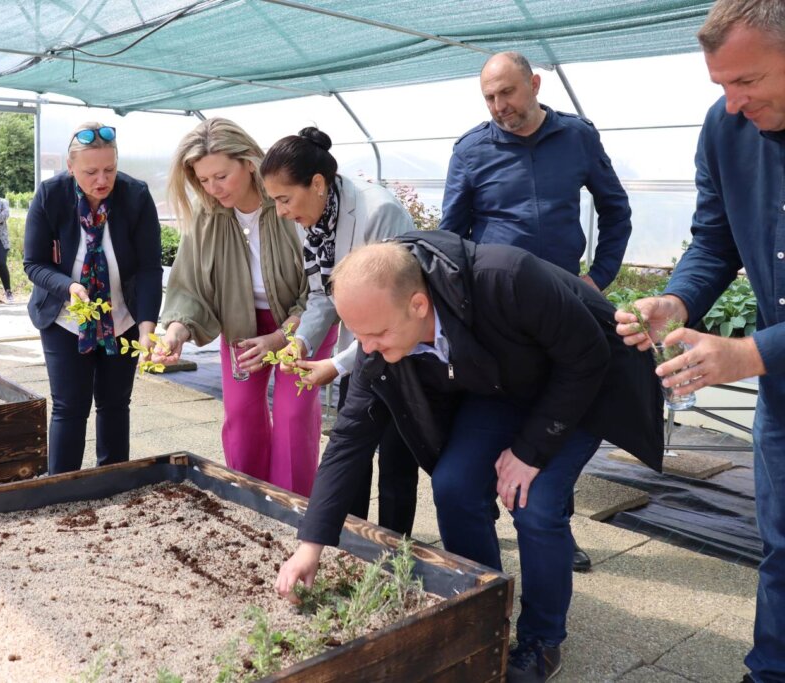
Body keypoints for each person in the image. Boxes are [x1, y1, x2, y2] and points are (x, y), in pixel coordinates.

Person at [276, 234, 664, 683]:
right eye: (359, 336)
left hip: (581, 384)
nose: (366, 348)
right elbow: (347, 442)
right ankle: (483, 612)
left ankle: (542, 639)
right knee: (454, 486)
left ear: (418, 305)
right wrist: (311, 546)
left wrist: (529, 451)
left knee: (534, 503)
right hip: (504, 382)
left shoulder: (507, 277)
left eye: (377, 334)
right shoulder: (375, 347)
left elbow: (587, 356)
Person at [615, 2, 785, 680]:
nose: (733, 103)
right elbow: (715, 239)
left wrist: (751, 355)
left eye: (747, 81)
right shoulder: (725, 129)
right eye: (720, 85)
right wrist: (677, 298)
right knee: (780, 543)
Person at [440, 50, 634, 572]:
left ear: (535, 84)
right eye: (490, 97)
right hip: (499, 317)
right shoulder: (471, 151)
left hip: (567, 308)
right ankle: (480, 535)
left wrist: (598, 280)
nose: (500, 106)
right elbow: (450, 237)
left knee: (563, 406)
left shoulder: (577, 137)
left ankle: (554, 525)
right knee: (486, 425)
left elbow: (615, 209)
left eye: (508, 92)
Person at [154, 118, 328, 496]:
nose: (213, 189)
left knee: (292, 416)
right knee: (241, 414)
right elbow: (190, 288)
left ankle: (294, 511)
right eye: (203, 180)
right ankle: (249, 502)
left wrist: (282, 337)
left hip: (302, 323)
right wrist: (176, 330)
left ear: (249, 162)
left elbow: (319, 290)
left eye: (221, 176)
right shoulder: (206, 217)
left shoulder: (288, 203)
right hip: (242, 327)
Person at [259, 127, 419, 535]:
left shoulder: (378, 211)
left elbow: (396, 312)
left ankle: (395, 552)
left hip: (403, 349)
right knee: (351, 454)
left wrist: (336, 363)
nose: (280, 211)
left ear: (316, 184)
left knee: (398, 459)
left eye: (283, 199)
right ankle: (350, 542)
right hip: (361, 354)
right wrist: (300, 341)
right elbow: (323, 296)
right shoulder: (309, 219)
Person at [24, 122, 162, 475]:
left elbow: (148, 267)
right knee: (70, 406)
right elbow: (34, 263)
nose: (102, 180)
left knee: (116, 404)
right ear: (70, 168)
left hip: (123, 317)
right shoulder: (50, 195)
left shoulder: (136, 195)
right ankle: (62, 487)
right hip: (65, 317)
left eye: (109, 169)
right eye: (91, 172)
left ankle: (110, 482)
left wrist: (147, 328)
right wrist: (68, 287)